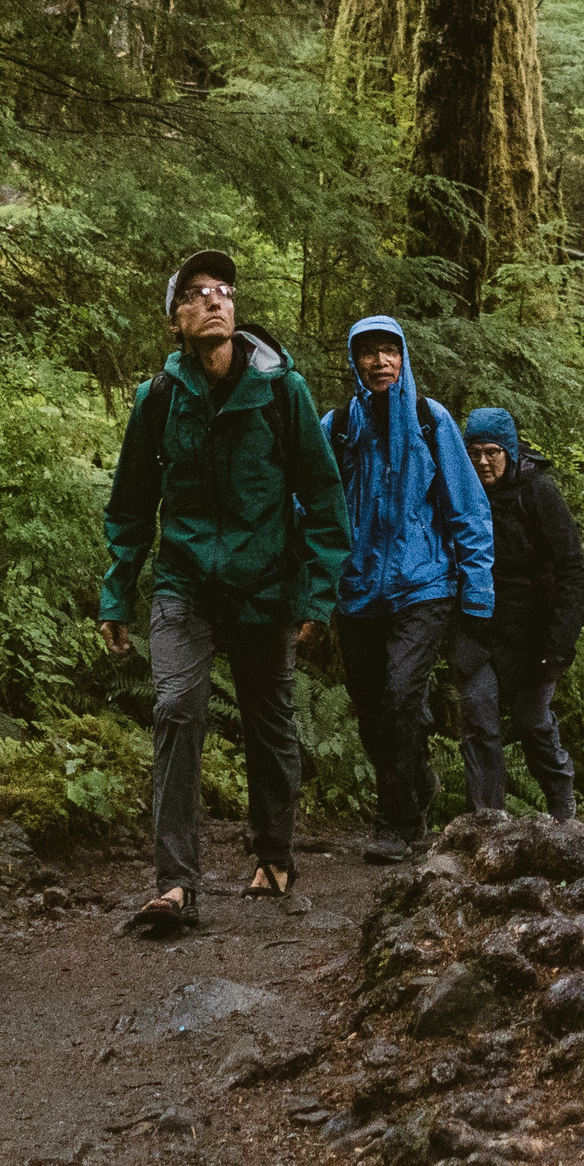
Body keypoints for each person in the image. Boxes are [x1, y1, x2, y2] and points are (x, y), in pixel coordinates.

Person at [97, 249, 346, 930]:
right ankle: (176, 882)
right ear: (176, 321)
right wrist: (117, 592)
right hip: (184, 584)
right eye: (197, 292)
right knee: (178, 706)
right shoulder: (158, 399)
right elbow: (129, 505)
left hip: (265, 586)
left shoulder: (281, 392)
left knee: (270, 724)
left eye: (225, 290)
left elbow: (324, 501)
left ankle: (273, 853)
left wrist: (316, 594)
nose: (215, 299)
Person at [326, 314, 494, 865]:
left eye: (389, 351)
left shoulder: (431, 420)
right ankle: (416, 789)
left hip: (423, 585)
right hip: (357, 592)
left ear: (403, 357)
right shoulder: (339, 427)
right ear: (356, 362)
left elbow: (466, 506)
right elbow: (315, 506)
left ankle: (394, 822)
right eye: (370, 353)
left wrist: (477, 591)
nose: (381, 362)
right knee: (375, 710)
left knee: (400, 696)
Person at [450, 407, 584, 821]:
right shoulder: (459, 493)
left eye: (492, 451)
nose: (482, 462)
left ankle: (562, 810)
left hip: (534, 635)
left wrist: (561, 643)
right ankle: (487, 819)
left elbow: (571, 569)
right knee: (477, 713)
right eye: (473, 452)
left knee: (533, 723)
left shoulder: (538, 493)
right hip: (479, 630)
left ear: (509, 451)